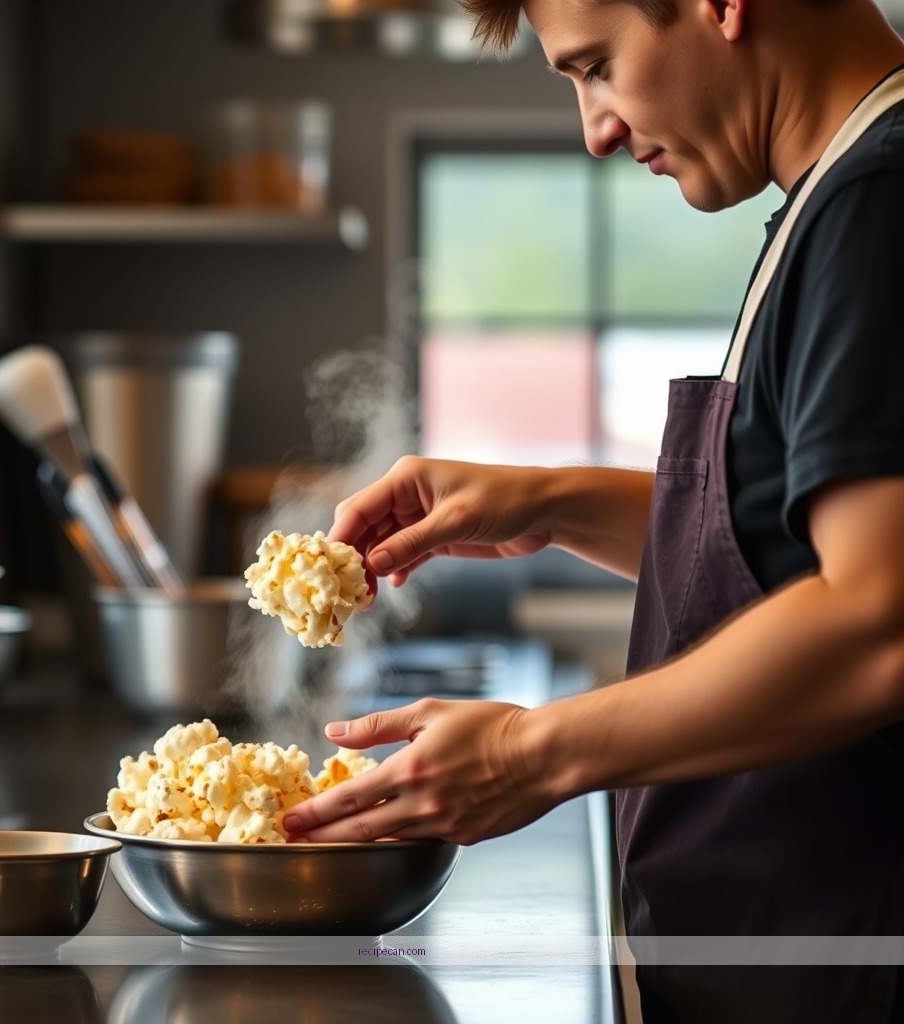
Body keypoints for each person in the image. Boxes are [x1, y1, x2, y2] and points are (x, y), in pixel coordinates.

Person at [279, 0, 904, 1019]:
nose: (596, 128)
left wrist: (535, 753)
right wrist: (548, 501)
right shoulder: (832, 195)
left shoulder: (879, 203)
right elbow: (782, 556)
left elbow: (877, 619)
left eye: (597, 66)